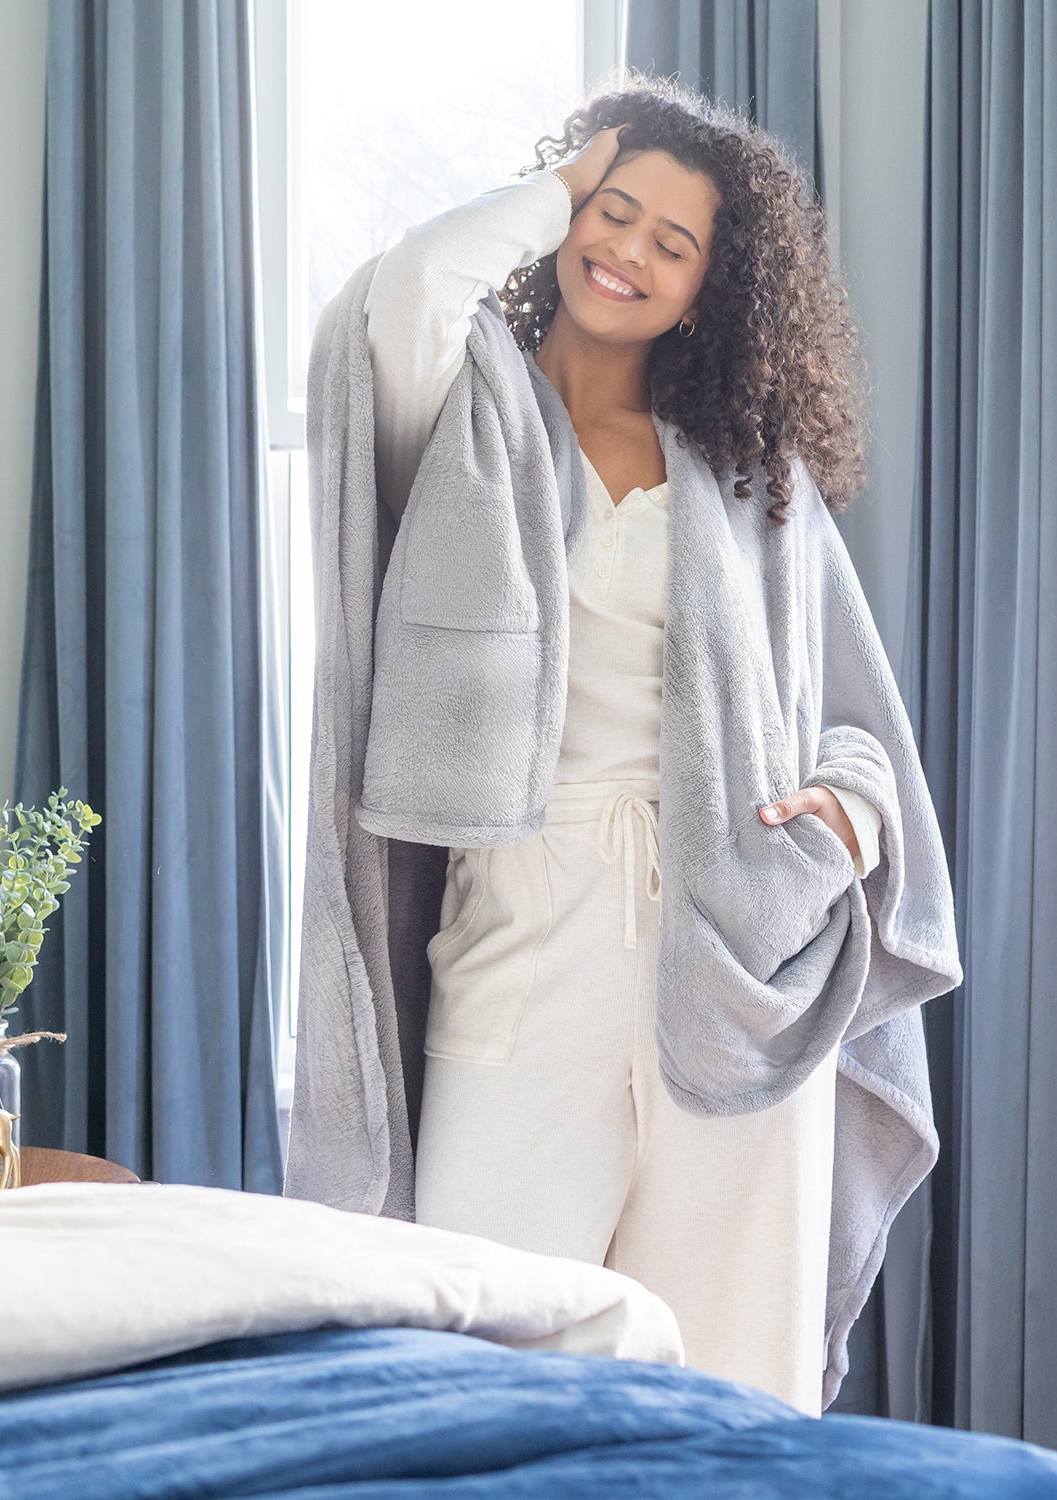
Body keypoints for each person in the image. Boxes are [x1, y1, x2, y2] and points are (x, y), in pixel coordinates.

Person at [360, 73, 881, 1417]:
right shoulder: (463, 407)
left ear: (707, 290)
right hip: (526, 933)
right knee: (488, 1369)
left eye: (674, 241)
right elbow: (412, 283)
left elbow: (857, 715)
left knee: (739, 1387)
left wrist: (849, 819)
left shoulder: (745, 470)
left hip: (740, 951)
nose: (629, 251)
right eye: (614, 211)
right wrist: (562, 183)